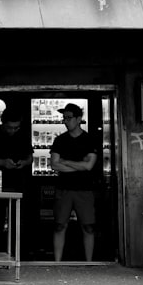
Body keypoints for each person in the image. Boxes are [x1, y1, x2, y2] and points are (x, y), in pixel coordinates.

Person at [0, 107, 34, 253]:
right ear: (3, 123)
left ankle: (17, 252)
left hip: (19, 183)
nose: (13, 131)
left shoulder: (23, 134)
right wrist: (2, 163)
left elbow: (30, 157)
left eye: (16, 128)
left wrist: (24, 163)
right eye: (9, 127)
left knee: (18, 219)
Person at [50, 103, 98, 262]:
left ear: (78, 119)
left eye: (69, 118)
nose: (65, 121)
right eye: (64, 118)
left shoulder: (89, 139)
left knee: (88, 227)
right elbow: (54, 164)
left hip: (84, 189)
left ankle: (89, 262)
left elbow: (89, 166)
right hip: (63, 188)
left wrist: (66, 162)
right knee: (59, 225)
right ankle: (57, 263)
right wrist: (79, 166)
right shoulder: (59, 140)